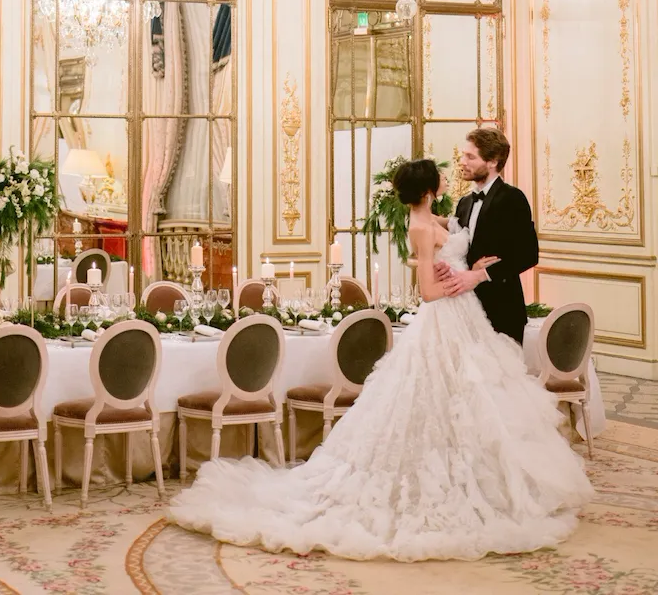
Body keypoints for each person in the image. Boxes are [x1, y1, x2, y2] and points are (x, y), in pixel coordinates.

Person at [167, 158, 593, 562]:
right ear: (429, 189)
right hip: (445, 318)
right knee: (437, 399)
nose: (449, 176)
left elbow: (461, 240)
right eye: (439, 176)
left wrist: (473, 264)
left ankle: (486, 479)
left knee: (469, 401)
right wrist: (461, 282)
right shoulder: (421, 226)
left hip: (466, 318)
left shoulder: (438, 217)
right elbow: (427, 290)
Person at [438, 128, 538, 344]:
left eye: (470, 157)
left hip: (502, 310)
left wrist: (481, 275)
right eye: (463, 155)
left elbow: (528, 254)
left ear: (492, 162)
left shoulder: (513, 198)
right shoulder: (464, 203)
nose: (462, 161)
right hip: (466, 309)